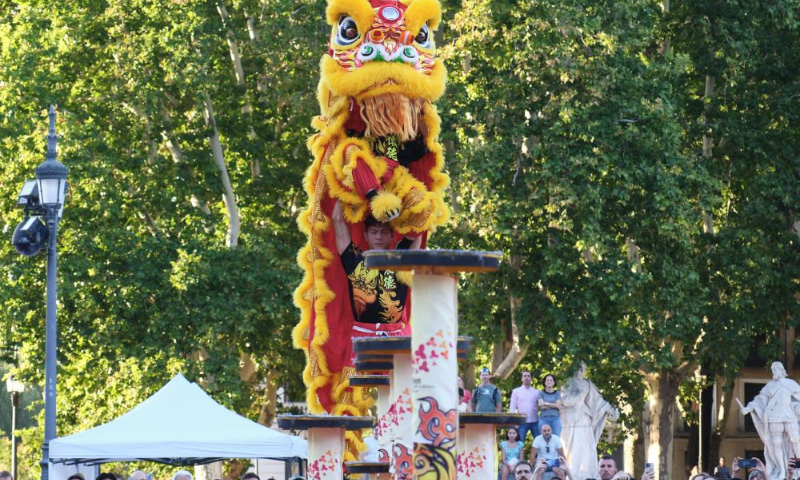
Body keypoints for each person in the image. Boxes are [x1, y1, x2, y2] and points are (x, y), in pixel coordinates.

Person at [332, 200, 421, 335]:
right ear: (365, 235)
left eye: (384, 232)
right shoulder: (354, 259)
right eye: (374, 232)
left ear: (392, 235)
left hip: (395, 337)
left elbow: (417, 229)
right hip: (363, 336)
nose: (379, 237)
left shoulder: (401, 260)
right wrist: (345, 191)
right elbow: (337, 218)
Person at [737, 361, 800, 480]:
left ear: (780, 370)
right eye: (772, 370)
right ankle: (782, 470)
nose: (773, 372)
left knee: (795, 439)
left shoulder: (790, 384)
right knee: (776, 443)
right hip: (774, 416)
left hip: (789, 414)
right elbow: (760, 400)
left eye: (775, 369)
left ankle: (798, 466)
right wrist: (749, 408)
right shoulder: (771, 386)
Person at [561, 363, 619, 480]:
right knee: (571, 448)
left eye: (582, 368)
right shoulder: (568, 383)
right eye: (577, 368)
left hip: (584, 418)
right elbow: (565, 400)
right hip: (570, 420)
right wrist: (579, 396)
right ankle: (572, 474)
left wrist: (608, 408)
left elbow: (597, 401)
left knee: (587, 447)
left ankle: (586, 474)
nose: (580, 371)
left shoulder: (588, 384)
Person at [511, 370, 541, 444]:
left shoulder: (536, 392)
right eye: (524, 376)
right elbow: (512, 407)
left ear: (531, 378)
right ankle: (520, 456)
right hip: (522, 421)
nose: (526, 378)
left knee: (539, 443)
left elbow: (541, 406)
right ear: (521, 378)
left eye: (528, 376)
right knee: (520, 443)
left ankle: (540, 456)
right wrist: (513, 422)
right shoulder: (516, 391)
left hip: (535, 421)